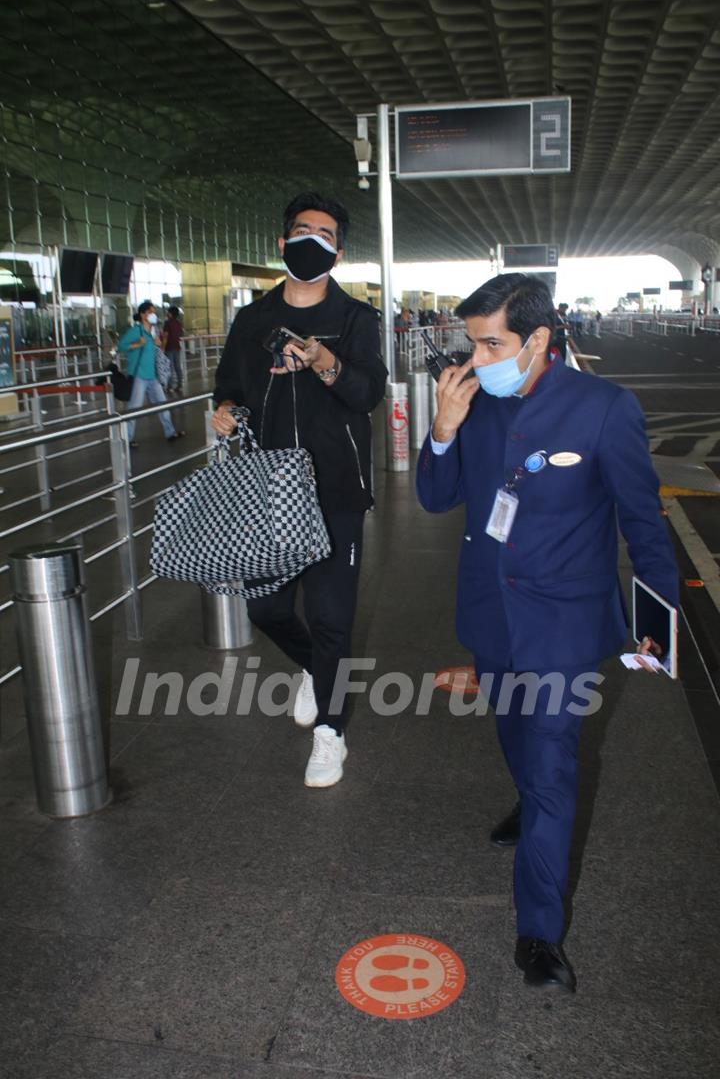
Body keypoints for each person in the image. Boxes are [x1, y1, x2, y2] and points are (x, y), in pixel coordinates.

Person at [416, 273, 678, 993]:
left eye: (492, 342)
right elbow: (437, 499)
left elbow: (641, 519)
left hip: (564, 622)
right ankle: (525, 793)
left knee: (555, 764)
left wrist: (654, 622)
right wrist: (440, 433)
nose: (477, 356)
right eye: (471, 341)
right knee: (514, 735)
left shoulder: (603, 408)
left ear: (538, 338)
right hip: (489, 617)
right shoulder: (473, 403)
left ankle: (538, 932)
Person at [212, 191, 387, 788]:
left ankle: (330, 735)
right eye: (303, 230)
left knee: (333, 617)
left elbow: (367, 395)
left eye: (326, 233)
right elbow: (228, 385)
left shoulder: (358, 320)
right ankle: (318, 668)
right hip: (267, 488)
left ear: (338, 250)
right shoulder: (252, 319)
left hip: (335, 488)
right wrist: (225, 410)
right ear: (282, 243)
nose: (313, 240)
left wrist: (323, 361)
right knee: (266, 607)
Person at [117, 301, 184, 447]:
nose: (153, 315)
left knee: (162, 405)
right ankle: (127, 439)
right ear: (143, 315)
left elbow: (155, 352)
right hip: (139, 376)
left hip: (152, 376)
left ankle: (170, 432)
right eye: (150, 312)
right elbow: (120, 346)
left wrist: (158, 344)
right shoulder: (136, 331)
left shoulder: (152, 332)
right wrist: (137, 344)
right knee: (134, 408)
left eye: (154, 312)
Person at [162, 305, 184, 395]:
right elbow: (181, 334)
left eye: (168, 312)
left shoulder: (167, 323)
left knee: (170, 367)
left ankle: (170, 387)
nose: (167, 313)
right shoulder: (179, 323)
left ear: (170, 314)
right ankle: (180, 385)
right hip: (177, 347)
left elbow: (165, 336)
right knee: (177, 367)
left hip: (169, 347)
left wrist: (163, 347)